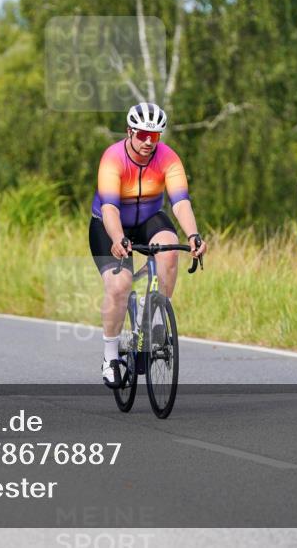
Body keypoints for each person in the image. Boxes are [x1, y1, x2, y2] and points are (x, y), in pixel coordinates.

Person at [89, 102, 207, 387]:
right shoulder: (113, 158)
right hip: (109, 224)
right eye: (141, 134)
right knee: (119, 286)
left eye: (153, 136)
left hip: (149, 219)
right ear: (129, 131)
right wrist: (117, 239)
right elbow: (109, 209)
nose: (146, 142)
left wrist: (193, 235)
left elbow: (180, 203)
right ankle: (110, 358)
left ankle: (151, 313)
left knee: (169, 250)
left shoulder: (168, 158)